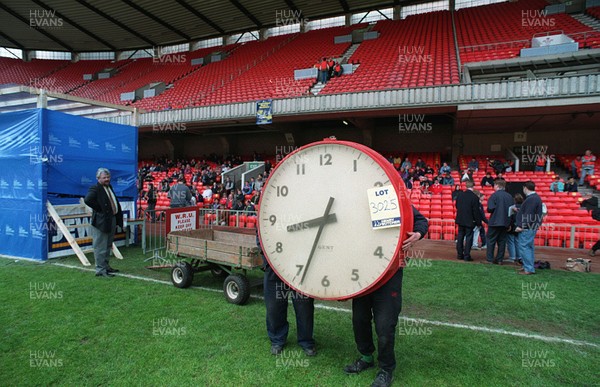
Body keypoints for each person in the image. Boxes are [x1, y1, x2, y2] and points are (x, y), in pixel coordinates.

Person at [344, 207, 428, 387]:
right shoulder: (354, 200)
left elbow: (421, 220)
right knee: (359, 320)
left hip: (389, 275)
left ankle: (386, 369)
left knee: (385, 325)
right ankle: (366, 357)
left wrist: (418, 233)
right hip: (363, 273)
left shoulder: (390, 200)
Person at [260, 236, 316, 357]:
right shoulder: (269, 217)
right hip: (275, 265)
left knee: (304, 306)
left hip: (300, 265)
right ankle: (277, 339)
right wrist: (266, 261)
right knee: (273, 306)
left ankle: (306, 341)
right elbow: (260, 234)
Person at [84, 168, 123, 278]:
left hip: (111, 219)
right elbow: (88, 200)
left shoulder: (109, 187)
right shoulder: (95, 188)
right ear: (98, 178)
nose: (107, 179)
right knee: (100, 245)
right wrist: (99, 209)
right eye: (104, 177)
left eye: (108, 177)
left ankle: (105, 266)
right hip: (101, 221)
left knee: (108, 244)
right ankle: (100, 269)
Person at [515, 181, 544, 275]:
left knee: (525, 247)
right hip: (531, 226)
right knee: (528, 247)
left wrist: (521, 226)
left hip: (527, 227)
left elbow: (529, 214)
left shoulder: (531, 199)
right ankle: (527, 266)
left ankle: (528, 268)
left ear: (525, 188)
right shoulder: (535, 198)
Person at [486, 179, 514, 264]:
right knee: (502, 242)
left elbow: (490, 209)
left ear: (497, 186)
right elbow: (512, 211)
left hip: (495, 221)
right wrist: (510, 223)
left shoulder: (494, 196)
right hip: (505, 222)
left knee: (491, 241)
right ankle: (499, 259)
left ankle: (490, 259)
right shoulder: (509, 196)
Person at [455, 181, 482, 261]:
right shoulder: (474, 197)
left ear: (466, 186)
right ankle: (467, 255)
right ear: (473, 186)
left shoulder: (460, 195)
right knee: (469, 238)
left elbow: (457, 206)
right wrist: (478, 222)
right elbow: (476, 211)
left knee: (460, 237)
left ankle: (459, 254)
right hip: (470, 220)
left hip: (460, 219)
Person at [506, 193, 524, 264]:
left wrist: (508, 225)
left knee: (510, 241)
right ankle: (518, 256)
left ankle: (512, 257)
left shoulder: (512, 207)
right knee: (517, 241)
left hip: (513, 226)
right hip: (519, 225)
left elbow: (510, 217)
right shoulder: (523, 207)